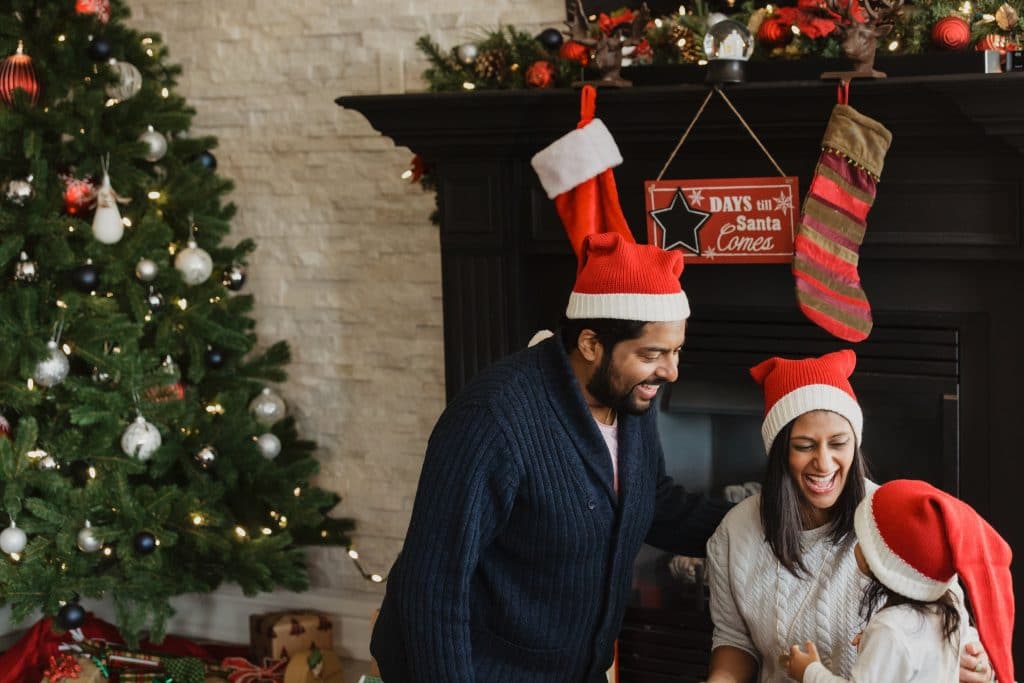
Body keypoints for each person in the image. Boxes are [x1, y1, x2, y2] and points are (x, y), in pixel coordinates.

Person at [371, 84, 730, 682]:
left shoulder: (628, 404)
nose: (669, 372)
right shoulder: (494, 421)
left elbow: (651, 505)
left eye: (676, 352)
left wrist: (779, 520)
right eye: (653, 353)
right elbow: (437, 587)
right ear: (590, 343)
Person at [705, 350, 994, 683]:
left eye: (839, 443)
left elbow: (950, 621)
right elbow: (734, 641)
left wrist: (970, 661)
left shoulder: (898, 522)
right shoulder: (736, 531)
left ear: (855, 444)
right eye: (804, 446)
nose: (824, 463)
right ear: (779, 451)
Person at [783, 478, 1014, 683]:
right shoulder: (949, 608)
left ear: (883, 565)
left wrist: (809, 671)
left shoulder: (890, 629)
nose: (857, 545)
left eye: (864, 539)